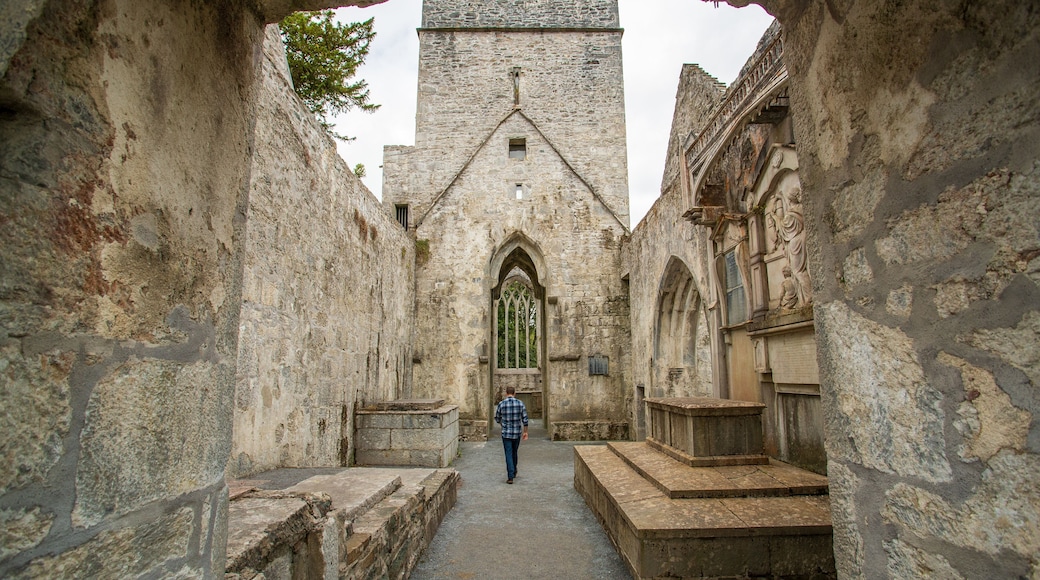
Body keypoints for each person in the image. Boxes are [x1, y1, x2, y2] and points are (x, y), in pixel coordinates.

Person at [494, 386, 529, 484]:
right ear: (514, 393)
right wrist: (525, 431)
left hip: (506, 433)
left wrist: (503, 424)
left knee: (508, 453)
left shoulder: (501, 404)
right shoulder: (520, 403)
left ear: (506, 393)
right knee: (514, 451)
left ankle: (510, 476)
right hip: (516, 432)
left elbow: (497, 418)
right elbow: (525, 419)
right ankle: (514, 470)